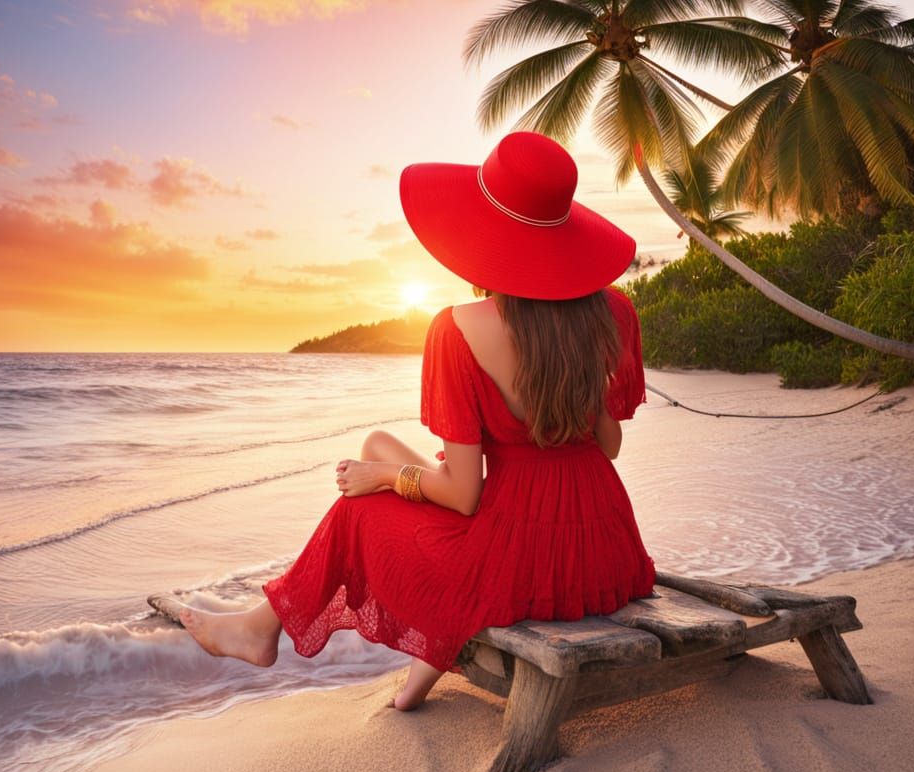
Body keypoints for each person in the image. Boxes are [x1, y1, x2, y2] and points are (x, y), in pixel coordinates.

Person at [178, 131, 656, 711]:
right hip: (606, 551)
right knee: (380, 443)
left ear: (486, 229)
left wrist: (382, 479)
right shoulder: (615, 315)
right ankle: (413, 667)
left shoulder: (458, 330)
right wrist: (589, 389)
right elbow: (607, 448)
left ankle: (261, 628)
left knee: (356, 508)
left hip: (519, 557)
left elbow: (465, 495)